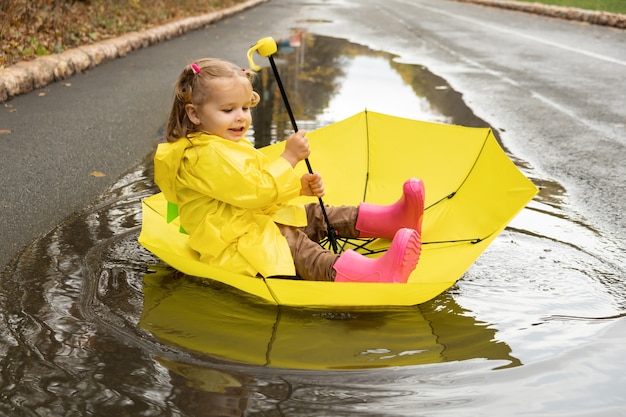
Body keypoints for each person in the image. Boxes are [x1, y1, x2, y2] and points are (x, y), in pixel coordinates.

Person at [154, 58, 425, 283]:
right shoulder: (202, 156)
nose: (240, 117)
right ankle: (367, 275)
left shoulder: (217, 143)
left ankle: (391, 219)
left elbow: (250, 186)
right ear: (194, 114)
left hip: (248, 221)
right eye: (228, 109)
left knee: (313, 214)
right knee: (292, 242)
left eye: (245, 107)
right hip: (232, 244)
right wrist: (289, 157)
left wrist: (297, 188)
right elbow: (255, 190)